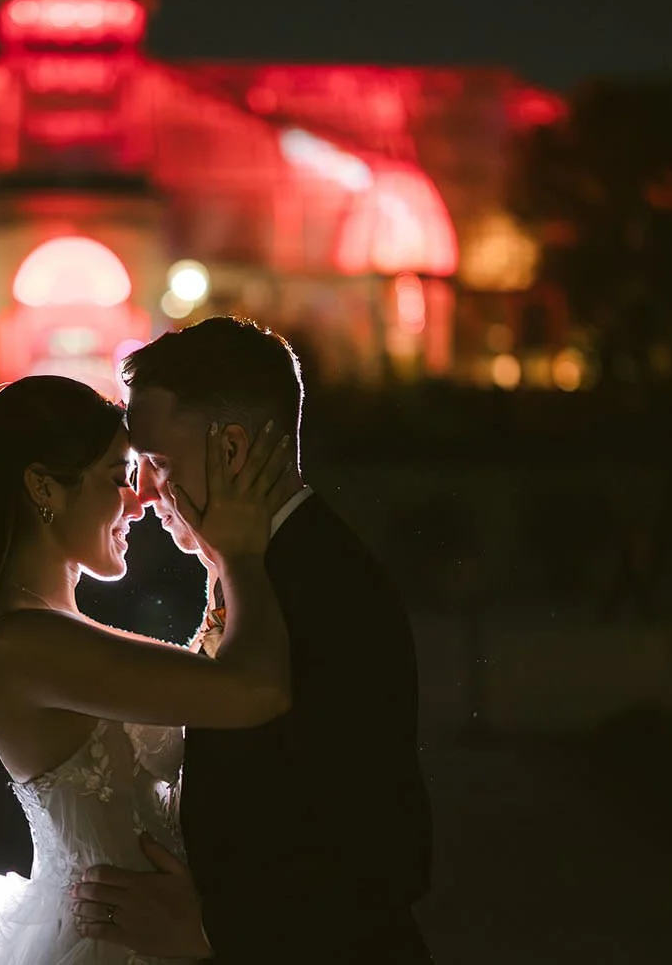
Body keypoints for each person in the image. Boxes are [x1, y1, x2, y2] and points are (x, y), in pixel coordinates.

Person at [73, 316, 434, 961]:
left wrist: (215, 930)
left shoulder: (326, 588)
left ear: (232, 450)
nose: (143, 492)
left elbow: (381, 847)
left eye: (158, 462)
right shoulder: (259, 565)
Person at [0, 374, 296, 964]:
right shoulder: (25, 643)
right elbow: (254, 690)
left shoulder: (45, 630)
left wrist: (217, 566)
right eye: (119, 479)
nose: (139, 501)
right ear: (45, 488)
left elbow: (197, 683)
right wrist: (240, 553)